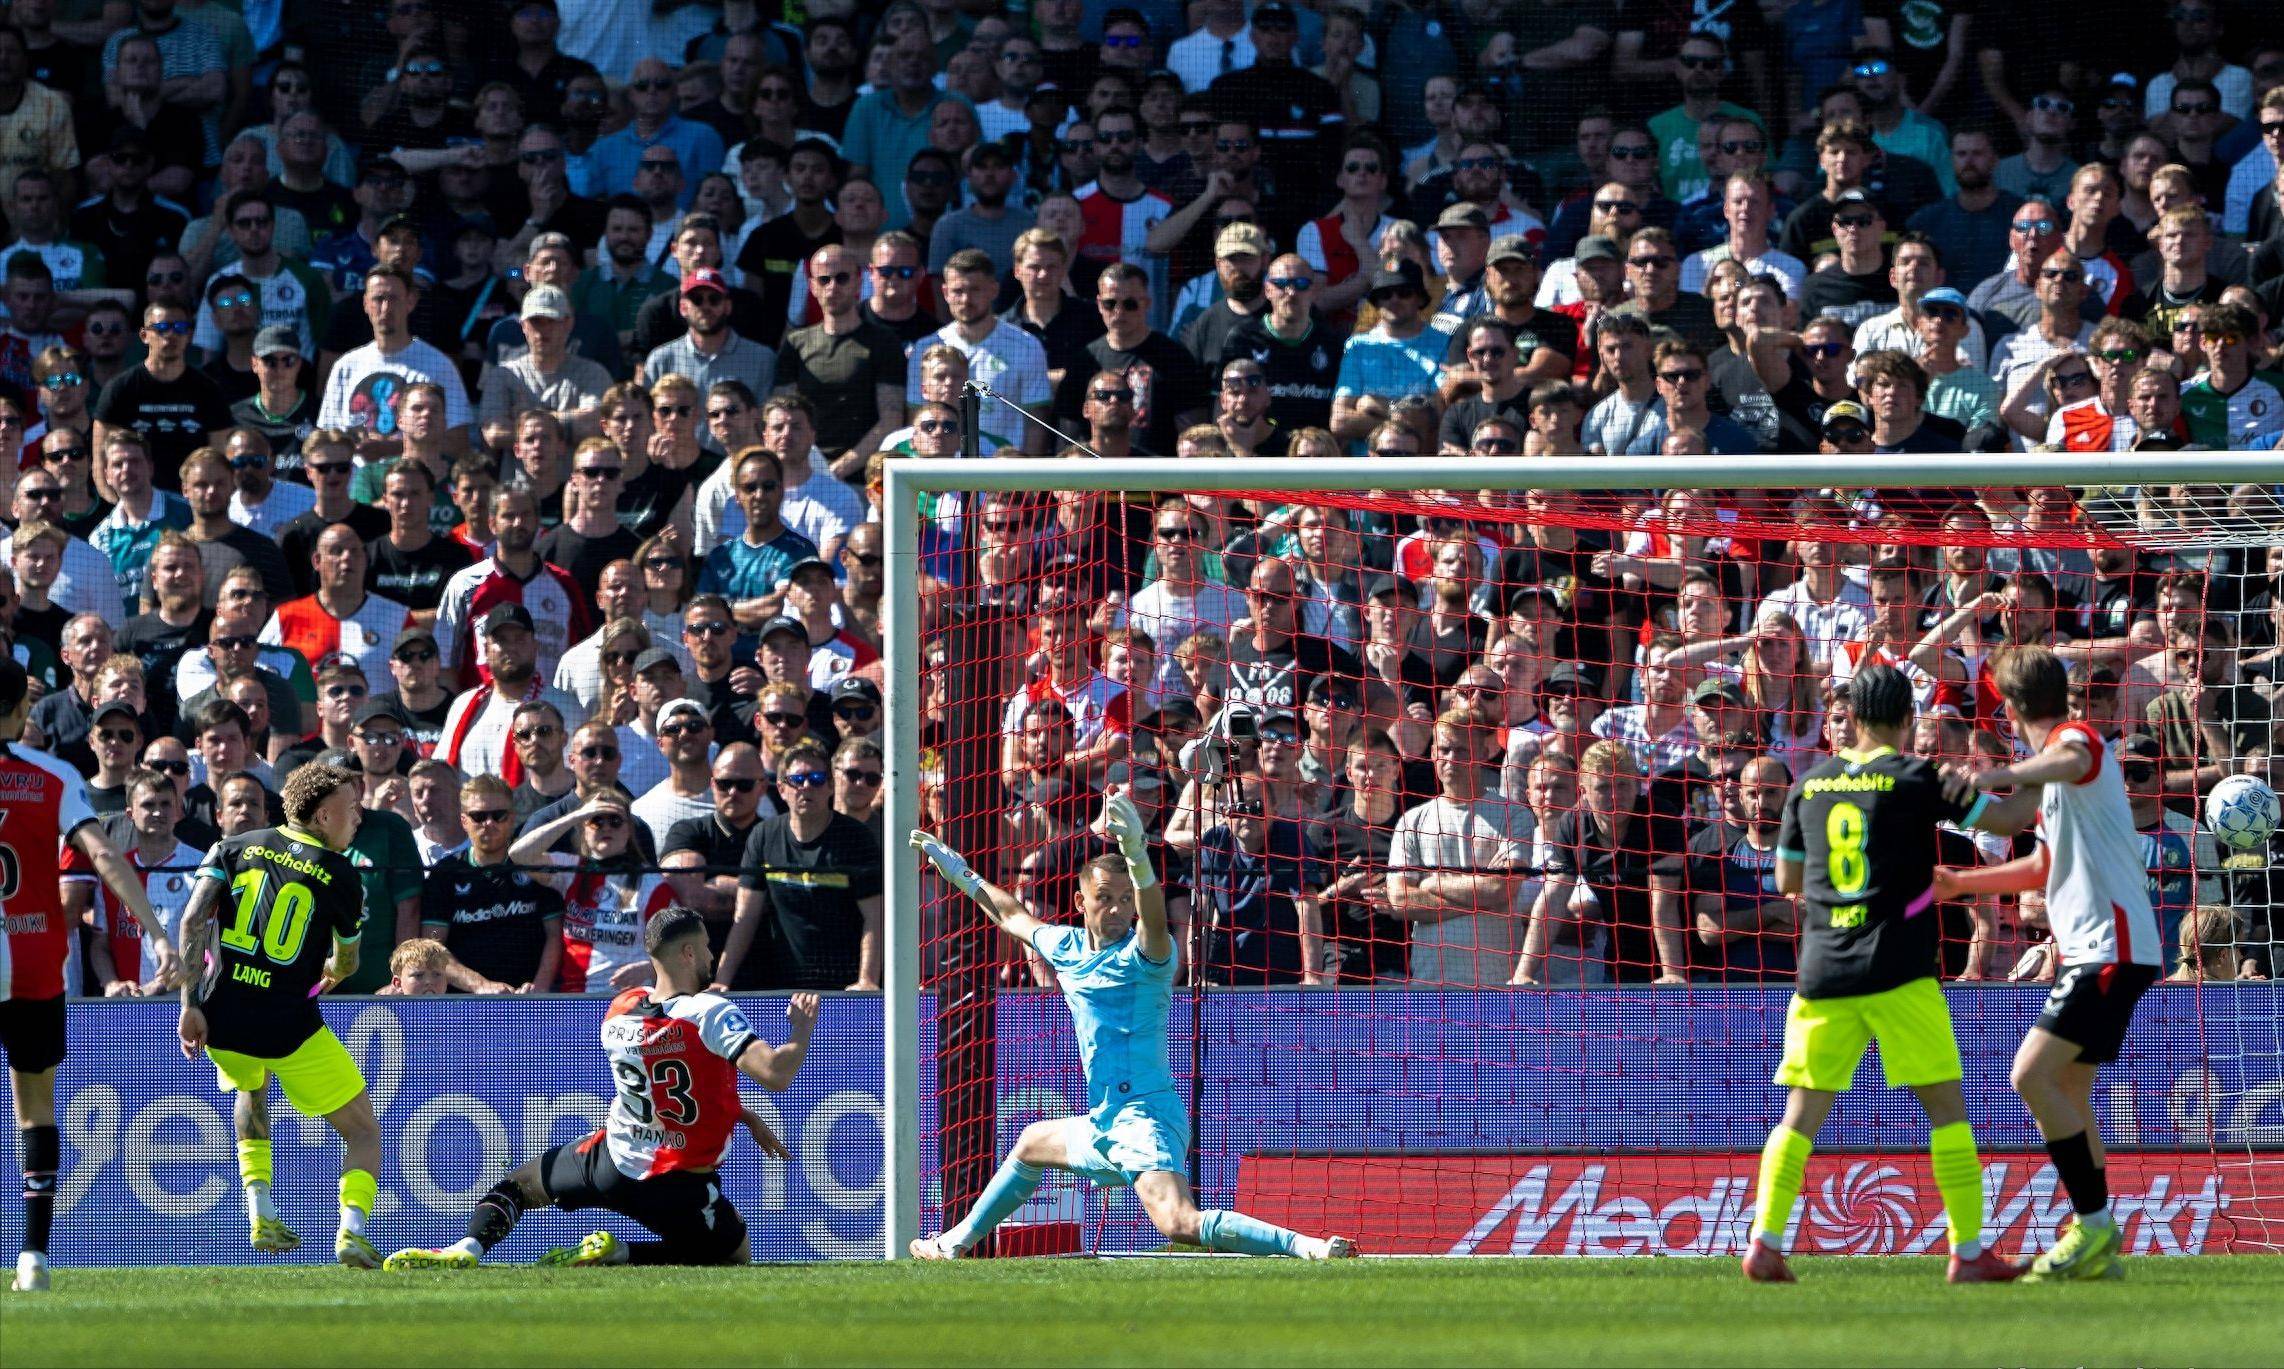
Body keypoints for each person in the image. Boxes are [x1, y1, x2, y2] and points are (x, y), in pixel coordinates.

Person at [909, 794, 1356, 1260]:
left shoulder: (1148, 956)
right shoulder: (1066, 945)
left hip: (1146, 1118)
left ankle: (1308, 1247)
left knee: (1180, 1223)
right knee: (1031, 1142)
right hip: (1106, 1120)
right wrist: (958, 870)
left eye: (1126, 899)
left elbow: (1157, 920)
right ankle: (954, 1244)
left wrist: (1140, 858)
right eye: (1105, 898)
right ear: (1081, 901)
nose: (1119, 909)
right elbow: (1010, 914)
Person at [1740, 664, 2028, 1285]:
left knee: (1799, 1115)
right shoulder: (1917, 776)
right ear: (1906, 720)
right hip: (1898, 967)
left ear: (1852, 718)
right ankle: (1969, 1250)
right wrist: (2046, 778)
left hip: (1821, 971)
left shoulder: (1809, 784)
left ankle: (1764, 1240)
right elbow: (2004, 824)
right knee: (1948, 1111)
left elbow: (1788, 881)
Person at [384, 910, 818, 1270]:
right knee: (730, 1258)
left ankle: (467, 1248)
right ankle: (621, 1253)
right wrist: (799, 1033)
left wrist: (742, 1114)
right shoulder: (710, 1011)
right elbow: (774, 1074)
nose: (710, 955)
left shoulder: (621, 1009)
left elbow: (668, 1078)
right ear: (688, 952)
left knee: (517, 1186)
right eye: (705, 946)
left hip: (610, 1164)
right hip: (678, 1182)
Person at [1930, 645, 2165, 1283]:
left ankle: (2093, 1224)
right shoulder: (2052, 779)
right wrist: (1959, 878)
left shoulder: (2074, 741)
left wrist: (1983, 775)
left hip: (2107, 948)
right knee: (2068, 1091)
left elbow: (2071, 756)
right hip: (2099, 948)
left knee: (2030, 1075)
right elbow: (2034, 854)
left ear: (2009, 708)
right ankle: (2094, 1244)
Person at [1, 658, 181, 1292]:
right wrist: (158, 934)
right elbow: (103, 851)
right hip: (31, 962)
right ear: (21, 713)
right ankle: (33, 1258)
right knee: (35, 1108)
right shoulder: (52, 776)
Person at [173, 761, 384, 1270]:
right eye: (352, 809)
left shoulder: (233, 847)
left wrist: (189, 1004)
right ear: (326, 814)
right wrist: (330, 973)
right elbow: (349, 961)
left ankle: (260, 1211)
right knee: (362, 1131)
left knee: (250, 1086)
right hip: (288, 1026)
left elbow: (191, 920)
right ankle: (352, 1232)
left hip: (220, 1013)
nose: (357, 818)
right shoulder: (340, 874)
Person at [717, 738, 882, 991]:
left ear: (829, 786)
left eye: (816, 779)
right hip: (781, 985)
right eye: (797, 780)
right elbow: (745, 917)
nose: (806, 787)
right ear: (782, 789)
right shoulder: (764, 836)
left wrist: (867, 980)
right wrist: (721, 981)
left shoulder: (855, 837)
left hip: (846, 987)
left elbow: (875, 916)